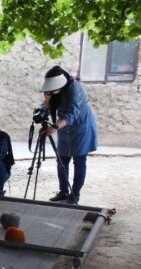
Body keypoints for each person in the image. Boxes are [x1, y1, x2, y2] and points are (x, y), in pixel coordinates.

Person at [40, 66, 98, 205]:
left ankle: (75, 195)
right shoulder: (56, 91)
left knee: (79, 162)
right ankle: (63, 192)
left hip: (80, 128)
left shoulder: (74, 89)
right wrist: (46, 103)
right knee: (62, 160)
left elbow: (72, 114)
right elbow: (48, 107)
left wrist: (55, 127)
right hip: (64, 129)